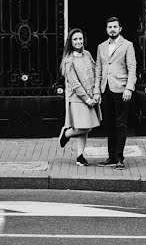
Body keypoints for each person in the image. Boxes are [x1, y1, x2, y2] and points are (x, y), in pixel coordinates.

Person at [93, 17, 137, 170]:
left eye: (115, 27)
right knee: (109, 124)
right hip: (106, 89)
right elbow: (98, 69)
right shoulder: (101, 46)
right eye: (109, 27)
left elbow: (132, 68)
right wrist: (96, 90)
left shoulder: (127, 45)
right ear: (106, 29)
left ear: (120, 29)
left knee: (121, 124)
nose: (112, 29)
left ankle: (119, 158)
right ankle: (111, 157)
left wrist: (129, 88)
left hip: (121, 90)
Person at [58, 28, 100, 166]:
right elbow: (75, 84)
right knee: (84, 127)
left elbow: (94, 73)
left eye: (80, 39)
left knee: (87, 127)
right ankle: (67, 134)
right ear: (70, 41)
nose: (78, 42)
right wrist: (87, 99)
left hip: (91, 96)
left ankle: (80, 156)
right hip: (78, 99)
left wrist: (95, 93)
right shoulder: (68, 60)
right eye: (75, 39)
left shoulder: (87, 54)